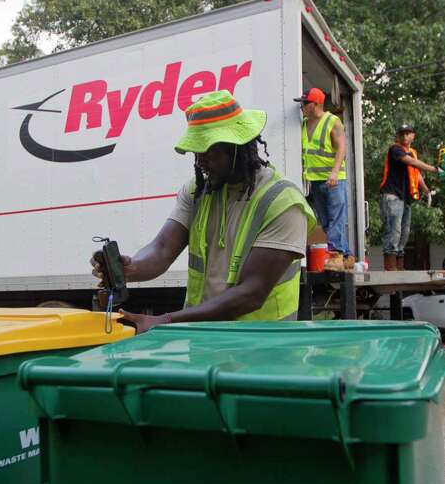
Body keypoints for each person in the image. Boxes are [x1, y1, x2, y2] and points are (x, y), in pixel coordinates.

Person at [90, 90, 315, 333]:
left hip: (261, 350)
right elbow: (162, 250)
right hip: (204, 341)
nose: (200, 161)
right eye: (197, 151)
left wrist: (165, 321)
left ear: (237, 147)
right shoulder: (198, 192)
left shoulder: (283, 202)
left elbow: (252, 292)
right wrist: (130, 268)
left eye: (209, 151)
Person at [295, 87, 351, 271]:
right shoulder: (303, 124)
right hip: (315, 180)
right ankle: (347, 256)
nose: (302, 106)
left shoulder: (332, 122)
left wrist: (334, 173)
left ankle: (335, 255)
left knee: (336, 219)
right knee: (326, 222)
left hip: (333, 180)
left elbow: (342, 149)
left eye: (305, 103)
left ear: (316, 104)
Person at [379, 124, 441, 270]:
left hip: (405, 198)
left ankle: (399, 265)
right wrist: (434, 169)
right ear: (398, 136)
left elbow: (416, 172)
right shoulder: (396, 149)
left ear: (413, 136)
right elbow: (412, 162)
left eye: (408, 133)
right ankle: (391, 266)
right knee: (393, 230)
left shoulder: (412, 152)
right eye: (402, 134)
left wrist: (425, 190)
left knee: (404, 233)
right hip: (392, 196)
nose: (405, 136)